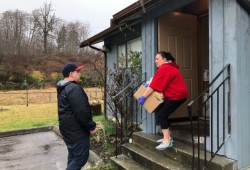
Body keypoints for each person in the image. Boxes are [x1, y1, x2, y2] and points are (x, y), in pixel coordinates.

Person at [138, 51, 188, 150]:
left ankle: (167, 141)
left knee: (162, 114)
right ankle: (167, 136)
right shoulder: (168, 67)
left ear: (164, 59)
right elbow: (156, 82)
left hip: (176, 96)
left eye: (157, 59)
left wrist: (144, 96)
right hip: (177, 95)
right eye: (155, 59)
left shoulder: (165, 68)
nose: (155, 61)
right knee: (159, 110)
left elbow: (154, 86)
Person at [57, 62, 97, 170]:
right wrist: (91, 126)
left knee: (73, 155)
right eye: (78, 71)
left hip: (68, 130)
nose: (80, 74)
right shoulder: (74, 88)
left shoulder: (63, 88)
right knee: (81, 158)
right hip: (76, 131)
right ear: (71, 74)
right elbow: (82, 112)